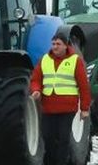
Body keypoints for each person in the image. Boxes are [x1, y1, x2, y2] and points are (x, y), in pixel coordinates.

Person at [30, 32, 91, 165]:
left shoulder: (75, 60)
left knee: (63, 139)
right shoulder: (44, 59)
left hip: (67, 109)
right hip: (48, 108)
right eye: (53, 44)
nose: (55, 47)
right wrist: (36, 90)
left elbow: (83, 86)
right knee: (47, 138)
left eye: (58, 44)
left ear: (65, 46)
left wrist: (85, 108)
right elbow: (35, 79)